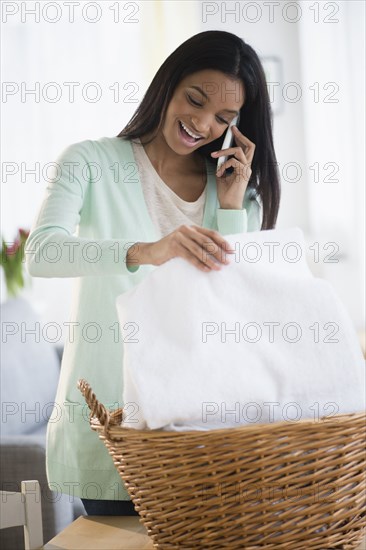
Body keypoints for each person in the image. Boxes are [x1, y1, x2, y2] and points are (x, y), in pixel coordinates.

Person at [25, 30, 281, 516]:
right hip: (112, 424)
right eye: (195, 99)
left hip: (205, 428)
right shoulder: (90, 161)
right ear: (168, 85)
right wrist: (146, 250)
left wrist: (229, 208)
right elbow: (44, 252)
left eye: (223, 118)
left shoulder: (236, 193)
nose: (201, 123)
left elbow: (237, 303)